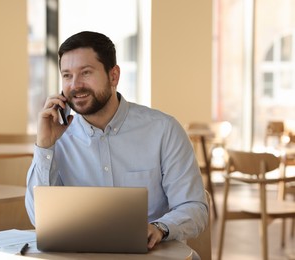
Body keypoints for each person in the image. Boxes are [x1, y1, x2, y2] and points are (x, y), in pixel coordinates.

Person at [25, 31, 208, 252]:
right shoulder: (57, 138)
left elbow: (194, 207)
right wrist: (45, 146)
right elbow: (38, 218)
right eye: (67, 75)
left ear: (114, 76)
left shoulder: (163, 130)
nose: (75, 85)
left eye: (86, 73)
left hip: (153, 255)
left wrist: (160, 228)